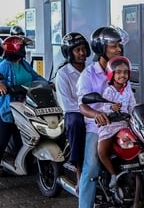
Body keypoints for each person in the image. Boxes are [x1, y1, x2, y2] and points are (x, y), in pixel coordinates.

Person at [0, 35, 47, 193]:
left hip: (27, 107)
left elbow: (36, 77)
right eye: (23, 47)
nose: (25, 49)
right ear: (16, 49)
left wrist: (48, 83)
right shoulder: (5, 65)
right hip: (9, 109)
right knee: (2, 140)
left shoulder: (24, 64)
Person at [76, 26, 128, 208]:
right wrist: (97, 114)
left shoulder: (122, 68)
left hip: (122, 124)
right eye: (113, 46)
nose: (118, 49)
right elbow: (82, 105)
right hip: (97, 127)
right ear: (101, 48)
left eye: (118, 46)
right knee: (91, 168)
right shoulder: (88, 75)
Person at [55, 32, 91, 183]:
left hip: (95, 111)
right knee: (76, 123)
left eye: (83, 49)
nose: (82, 53)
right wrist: (88, 111)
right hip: (74, 112)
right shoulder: (63, 73)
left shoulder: (92, 69)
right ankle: (79, 167)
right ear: (69, 53)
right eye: (77, 50)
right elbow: (67, 103)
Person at [97, 56, 136, 192]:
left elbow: (132, 105)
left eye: (125, 72)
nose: (122, 75)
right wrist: (111, 108)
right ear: (111, 74)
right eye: (118, 72)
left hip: (125, 124)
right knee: (102, 152)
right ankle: (113, 174)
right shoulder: (109, 91)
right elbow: (104, 107)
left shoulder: (128, 89)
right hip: (110, 125)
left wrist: (135, 113)